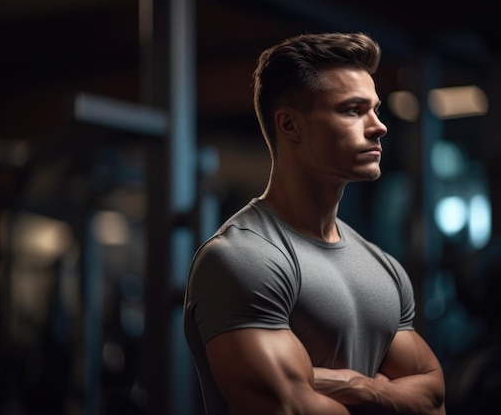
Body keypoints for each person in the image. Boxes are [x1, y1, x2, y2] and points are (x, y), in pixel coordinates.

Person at [183, 32, 446, 415]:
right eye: (353, 110)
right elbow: (291, 408)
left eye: (375, 109)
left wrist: (359, 387)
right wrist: (390, 394)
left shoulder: (382, 266)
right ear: (290, 125)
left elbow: (434, 398)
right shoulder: (242, 259)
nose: (379, 126)